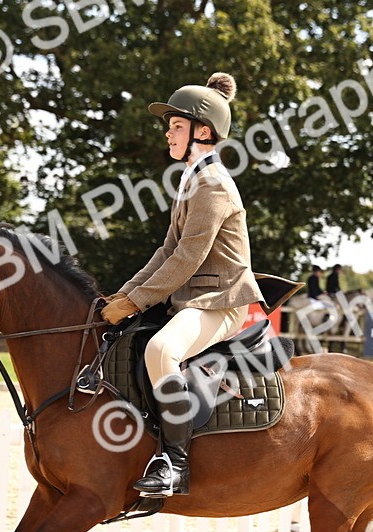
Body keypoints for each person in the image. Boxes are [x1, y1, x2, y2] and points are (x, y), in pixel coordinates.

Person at [100, 72, 263, 498]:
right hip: (192, 298)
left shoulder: (213, 185)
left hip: (220, 301)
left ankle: (175, 463)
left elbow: (188, 259)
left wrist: (135, 301)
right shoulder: (190, 180)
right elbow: (166, 252)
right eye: (169, 127)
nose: (167, 134)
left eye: (176, 126)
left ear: (202, 131)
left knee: (161, 350)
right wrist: (123, 296)